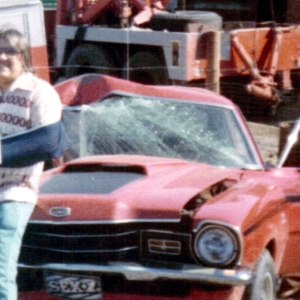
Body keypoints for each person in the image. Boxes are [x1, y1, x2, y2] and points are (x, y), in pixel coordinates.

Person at [0, 26, 65, 299]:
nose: (1, 57)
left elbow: (50, 142)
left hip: (15, 190)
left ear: (24, 56)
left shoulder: (39, 91)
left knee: (0, 269)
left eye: (9, 51)